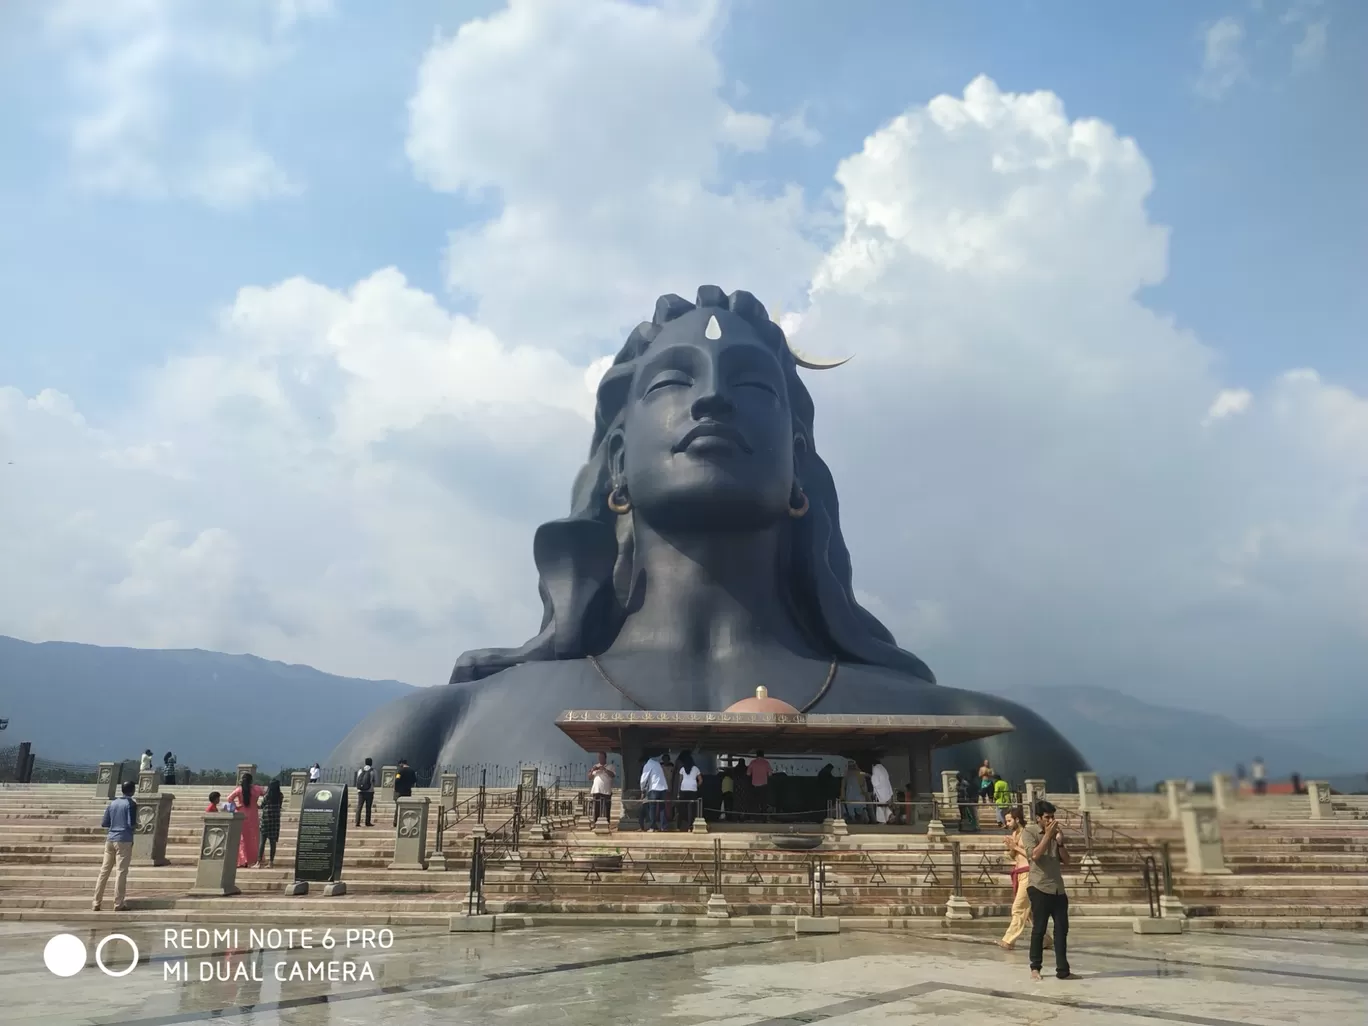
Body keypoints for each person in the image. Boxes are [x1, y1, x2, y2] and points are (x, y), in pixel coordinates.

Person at [327, 288, 1091, 787]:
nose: (715, 401)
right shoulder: (427, 734)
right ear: (617, 462)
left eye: (752, 384)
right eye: (674, 381)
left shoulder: (990, 740)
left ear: (800, 460)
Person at [1021, 800, 1075, 981]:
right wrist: (1047, 835)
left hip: (1058, 889)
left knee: (1062, 930)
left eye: (1052, 816)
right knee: (1039, 929)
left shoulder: (1057, 835)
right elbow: (1034, 855)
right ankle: (1035, 967)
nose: (1051, 820)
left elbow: (1067, 861)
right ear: (1038, 818)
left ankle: (1063, 969)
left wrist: (1060, 843)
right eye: (1047, 817)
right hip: (1039, 887)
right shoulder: (1029, 832)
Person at [998, 806, 1051, 951]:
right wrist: (1010, 847)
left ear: (1017, 819)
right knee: (1030, 912)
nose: (1007, 824)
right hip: (1019, 873)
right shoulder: (1015, 833)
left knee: (1019, 907)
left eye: (1009, 820)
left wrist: (1015, 846)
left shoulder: (1027, 833)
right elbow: (1013, 855)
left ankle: (1008, 940)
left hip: (1030, 873)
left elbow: (1032, 854)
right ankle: (1046, 939)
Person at [92, 780, 137, 912]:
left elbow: (105, 823)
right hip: (124, 839)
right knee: (121, 872)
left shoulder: (113, 803)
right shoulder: (131, 804)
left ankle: (96, 902)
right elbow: (131, 823)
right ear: (132, 790)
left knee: (104, 871)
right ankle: (118, 903)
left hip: (110, 839)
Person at [227, 773, 264, 869]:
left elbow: (229, 798)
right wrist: (259, 805)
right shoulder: (257, 789)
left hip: (242, 814)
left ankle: (243, 860)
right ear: (251, 780)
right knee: (254, 837)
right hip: (253, 814)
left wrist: (236, 806)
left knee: (242, 838)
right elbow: (266, 794)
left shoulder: (239, 789)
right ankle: (255, 859)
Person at [639, 752, 669, 831]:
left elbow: (643, 780)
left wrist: (642, 790)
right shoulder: (657, 763)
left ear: (643, 762)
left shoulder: (647, 765)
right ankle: (663, 826)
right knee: (662, 808)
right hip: (663, 787)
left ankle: (653, 826)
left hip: (654, 788)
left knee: (652, 808)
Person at [257, 780, 284, 868]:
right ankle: (271, 862)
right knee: (273, 842)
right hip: (275, 821)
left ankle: (258, 862)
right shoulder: (280, 796)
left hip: (266, 820)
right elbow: (280, 806)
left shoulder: (267, 796)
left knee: (262, 842)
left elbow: (262, 806)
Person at [676, 750, 703, 830]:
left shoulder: (682, 769)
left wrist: (678, 792)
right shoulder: (696, 769)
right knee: (692, 809)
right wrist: (696, 786)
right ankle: (690, 826)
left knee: (682, 808)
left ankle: (679, 826)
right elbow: (701, 780)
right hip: (693, 790)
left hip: (683, 789)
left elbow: (680, 781)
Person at [588, 752, 616, 826]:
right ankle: (596, 823)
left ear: (605, 758)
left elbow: (613, 775)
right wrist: (592, 770)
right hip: (596, 790)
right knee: (597, 808)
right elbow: (589, 777)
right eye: (599, 757)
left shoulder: (610, 766)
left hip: (606, 791)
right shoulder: (595, 766)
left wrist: (604, 769)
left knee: (606, 809)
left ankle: (607, 823)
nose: (600, 759)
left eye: (602, 757)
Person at [748, 750, 773, 820]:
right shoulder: (766, 763)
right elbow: (770, 774)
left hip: (754, 786)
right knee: (764, 802)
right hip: (763, 786)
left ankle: (755, 818)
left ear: (756, 755)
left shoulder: (752, 762)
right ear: (763, 755)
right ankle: (764, 818)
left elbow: (748, 774)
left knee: (755, 803)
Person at [869, 757, 894, 824]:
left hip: (880, 792)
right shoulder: (883, 768)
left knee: (880, 808)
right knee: (884, 806)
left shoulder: (875, 769)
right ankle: (890, 815)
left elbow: (875, 782)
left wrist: (870, 777)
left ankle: (883, 821)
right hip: (886, 792)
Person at [392, 758, 416, 827]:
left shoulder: (400, 771)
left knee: (398, 807)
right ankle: (405, 821)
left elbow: (397, 780)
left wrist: (396, 788)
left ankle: (396, 822)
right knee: (406, 807)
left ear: (402, 763)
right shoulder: (412, 771)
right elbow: (414, 780)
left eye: (400, 764)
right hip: (408, 791)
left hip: (400, 791)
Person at [354, 758, 376, 827]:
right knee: (368, 807)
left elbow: (357, 780)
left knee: (359, 807)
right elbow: (375, 781)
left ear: (365, 763)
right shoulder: (373, 771)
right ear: (371, 763)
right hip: (369, 791)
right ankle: (367, 822)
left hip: (360, 791)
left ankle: (357, 822)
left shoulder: (360, 770)